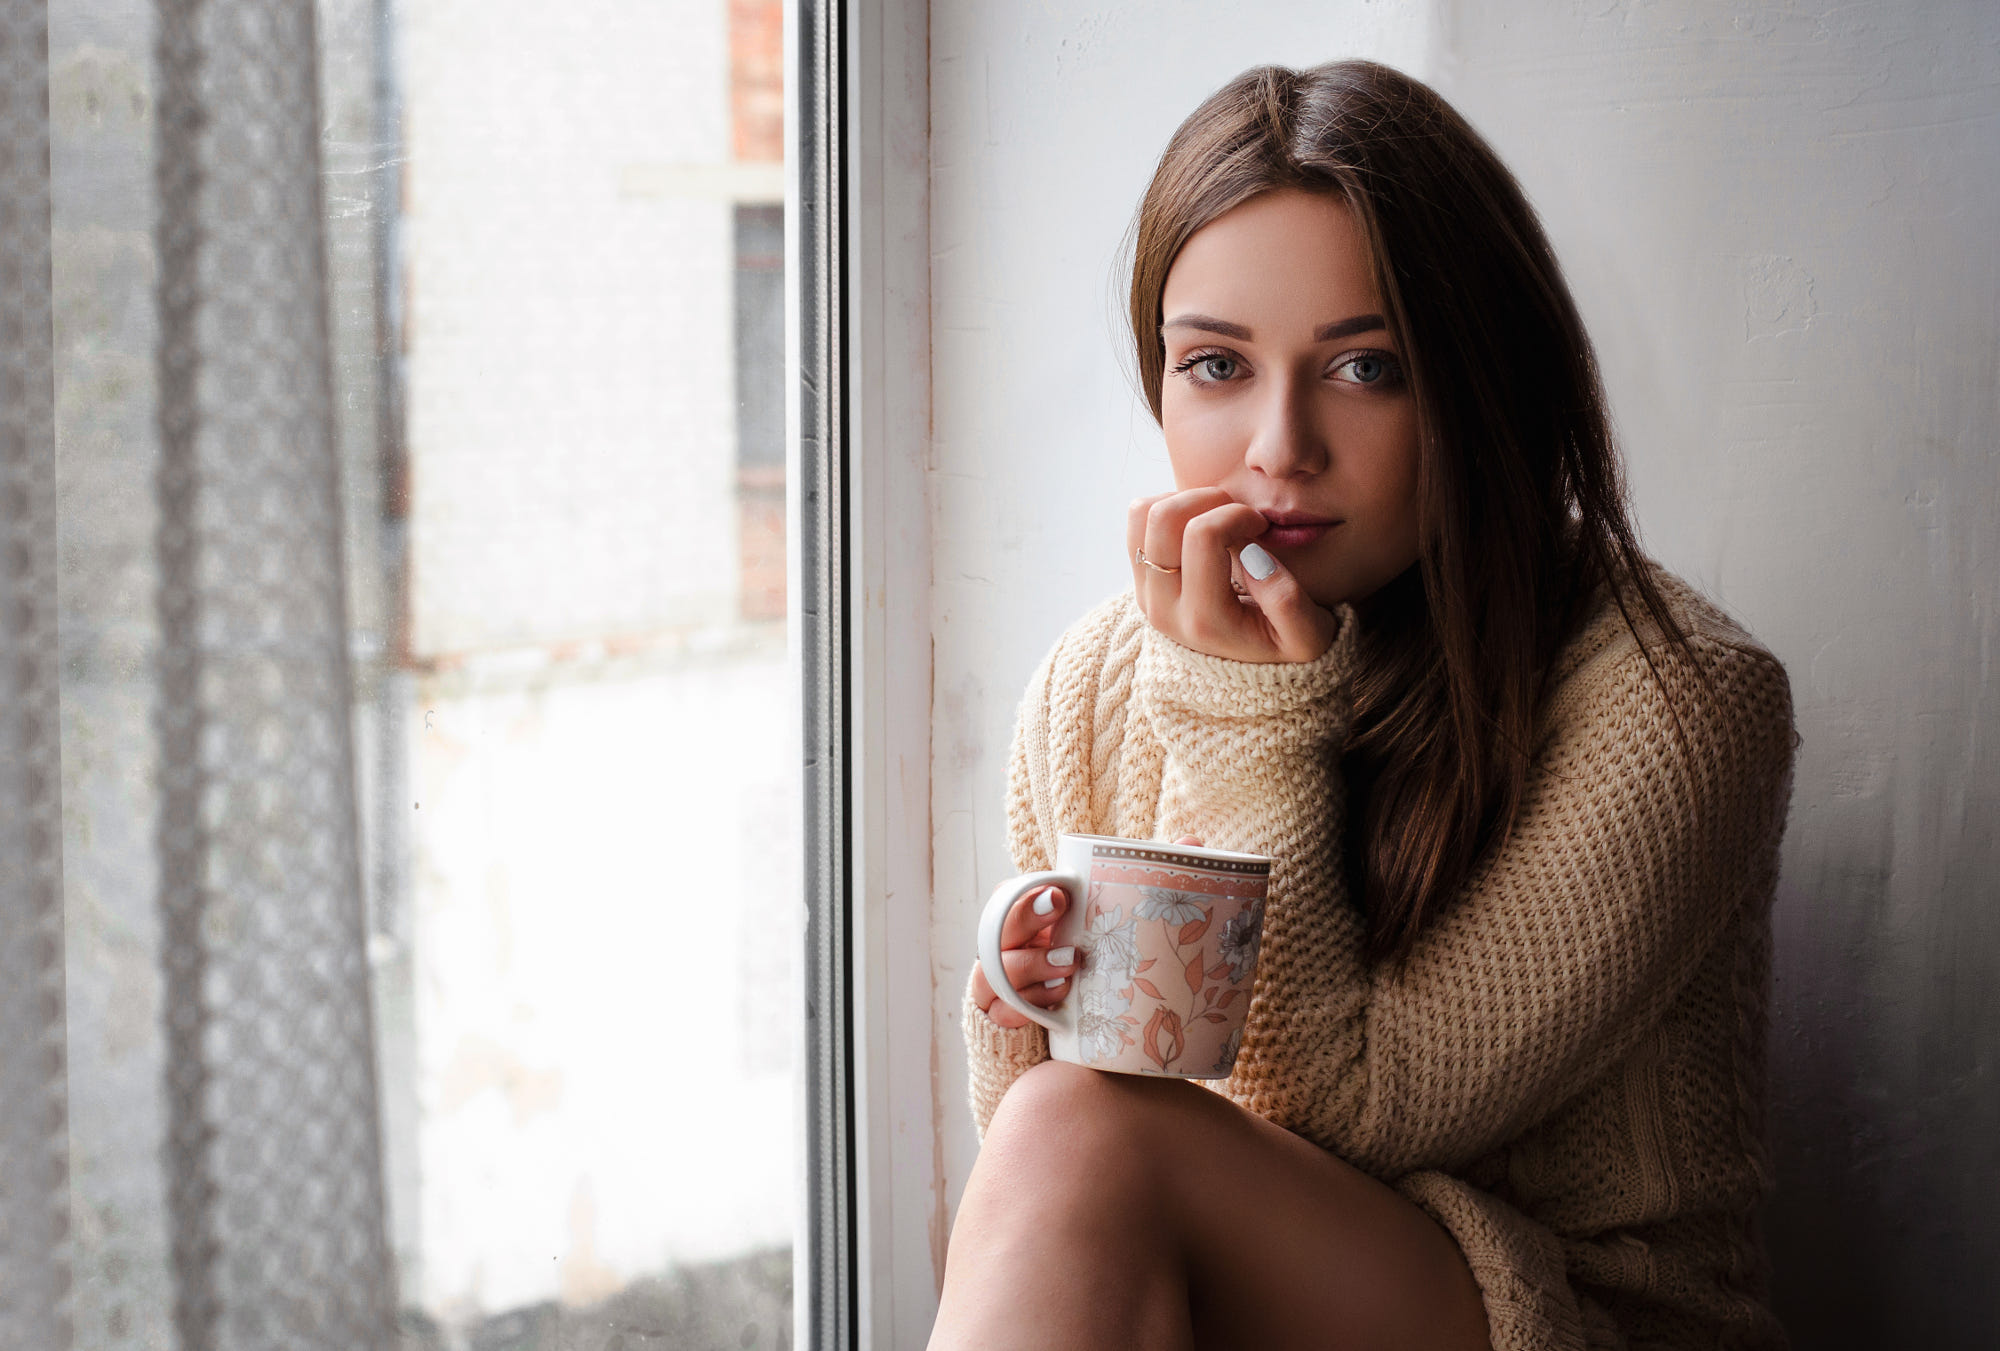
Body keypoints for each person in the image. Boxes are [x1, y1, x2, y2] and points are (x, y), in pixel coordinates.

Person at [929, 61, 1797, 1351]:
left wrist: (1244, 714)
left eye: (1366, 368)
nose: (1279, 445)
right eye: (1216, 366)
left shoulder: (1677, 706)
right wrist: (1025, 1008)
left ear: (1482, 374)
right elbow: (1079, 1169)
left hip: (1555, 1318)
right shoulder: (1095, 682)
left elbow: (1337, 1109)